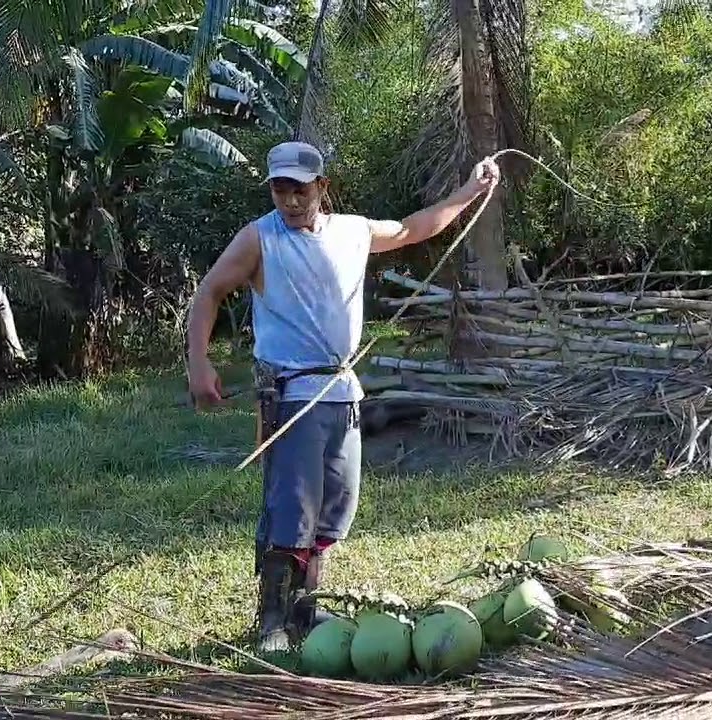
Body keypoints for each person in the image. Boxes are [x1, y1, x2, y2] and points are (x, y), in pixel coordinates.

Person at [185, 140, 500, 653]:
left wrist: (469, 189)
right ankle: (272, 622)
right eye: (279, 189)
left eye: (300, 189)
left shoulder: (353, 232)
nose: (289, 200)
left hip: (341, 390)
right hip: (291, 393)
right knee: (291, 506)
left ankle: (307, 610)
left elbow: (413, 228)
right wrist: (199, 363)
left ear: (321, 187)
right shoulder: (259, 240)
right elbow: (210, 291)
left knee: (336, 505)